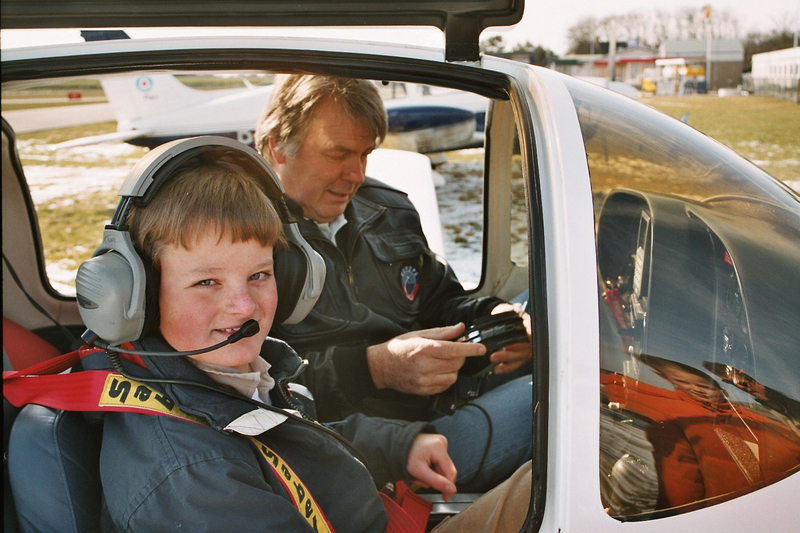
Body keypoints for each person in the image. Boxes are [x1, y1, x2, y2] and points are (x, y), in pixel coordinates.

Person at [74, 145, 531, 532]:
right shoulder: (195, 481)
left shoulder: (217, 381)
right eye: (206, 282)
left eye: (259, 275)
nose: (245, 307)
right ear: (143, 296)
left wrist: (397, 444)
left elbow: (288, 437)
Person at [254, 74, 533, 492]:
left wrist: (496, 318)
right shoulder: (245, 241)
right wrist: (375, 369)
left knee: (550, 310)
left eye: (366, 154)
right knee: (563, 395)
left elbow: (442, 301)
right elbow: (260, 397)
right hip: (371, 450)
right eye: (339, 153)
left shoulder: (388, 209)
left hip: (439, 396)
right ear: (278, 146)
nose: (356, 174)